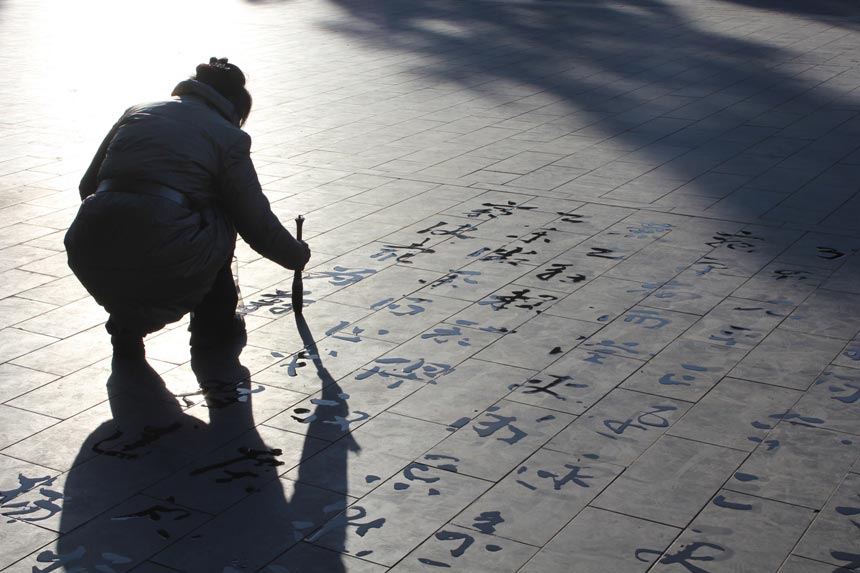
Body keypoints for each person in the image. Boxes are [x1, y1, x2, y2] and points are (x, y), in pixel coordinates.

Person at [65, 58, 310, 359]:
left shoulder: (138, 111)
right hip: (167, 252)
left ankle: (127, 324)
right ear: (235, 105)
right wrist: (295, 255)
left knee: (148, 227)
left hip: (89, 247)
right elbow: (254, 221)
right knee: (222, 213)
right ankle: (214, 324)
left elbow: (86, 186)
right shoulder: (228, 136)